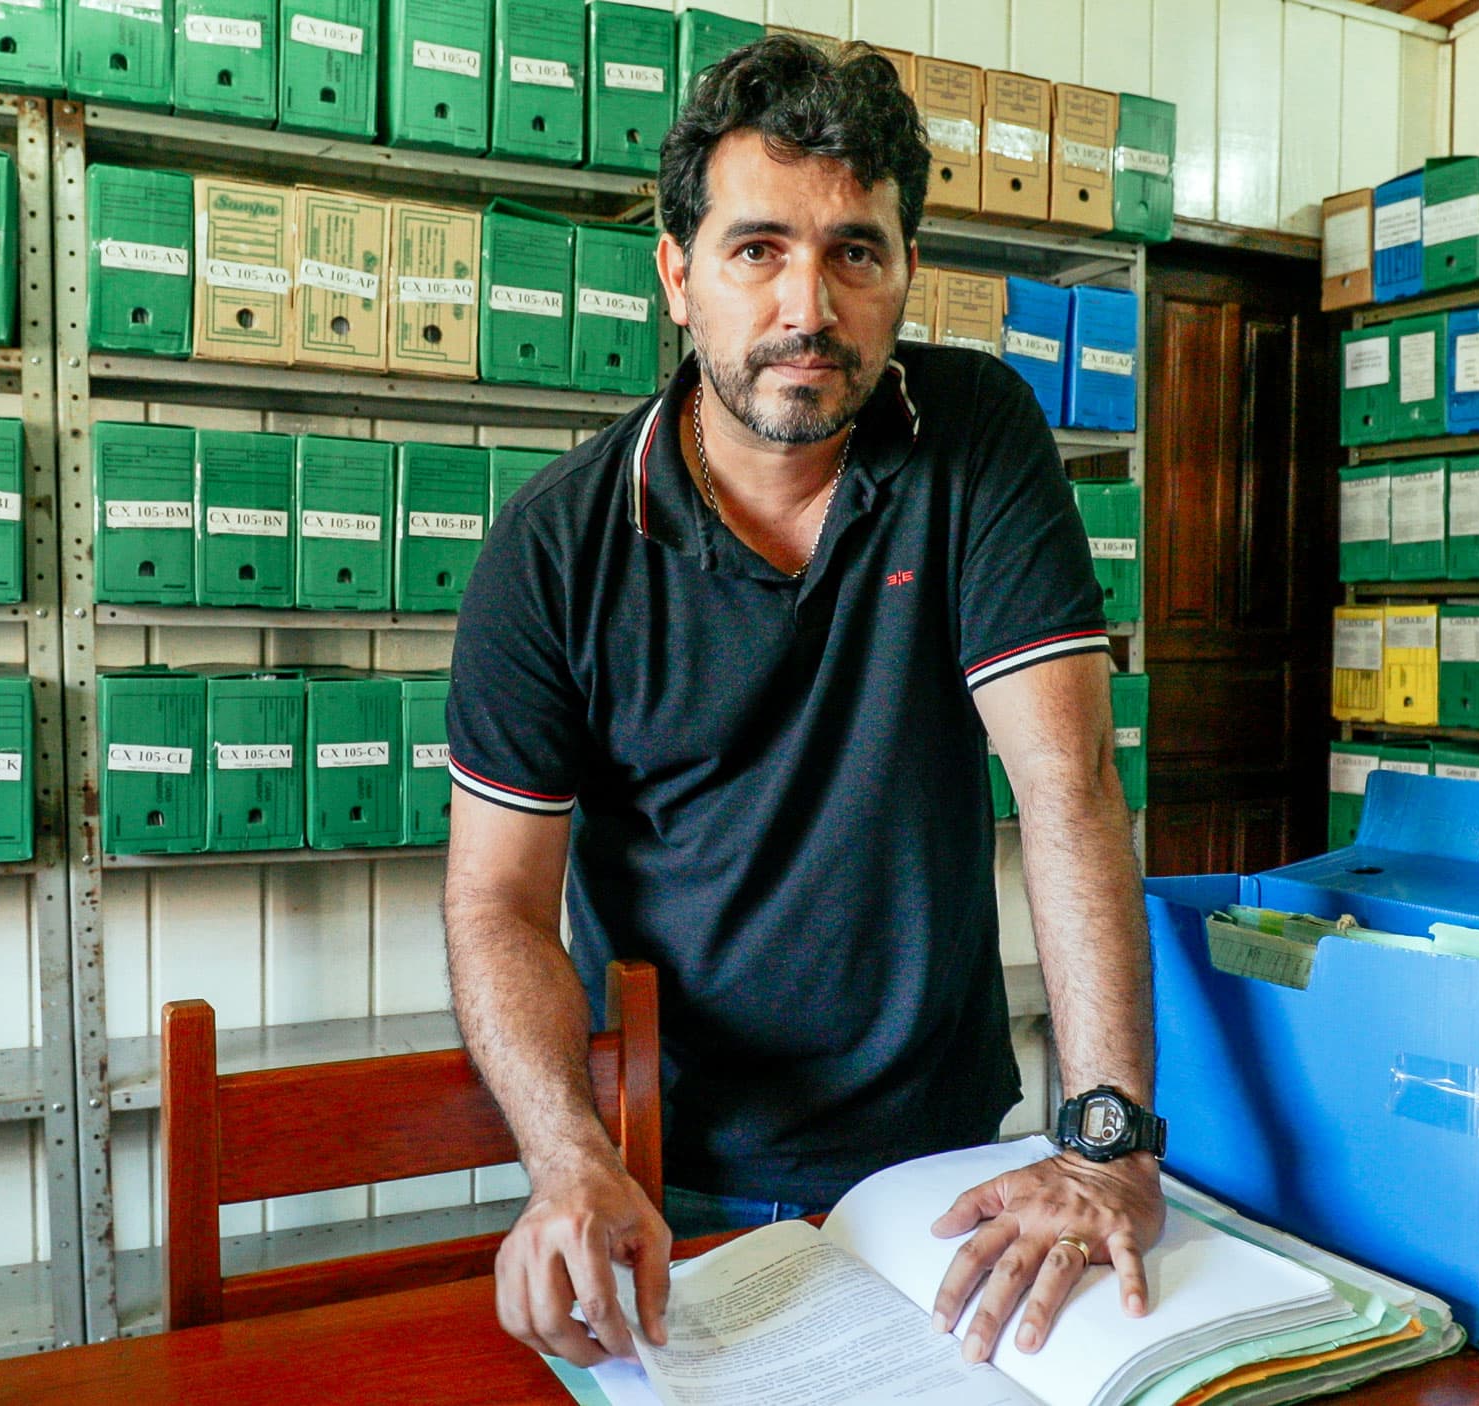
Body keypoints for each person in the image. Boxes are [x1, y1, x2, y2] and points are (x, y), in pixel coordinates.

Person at [442, 35, 1162, 1373]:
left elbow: (1069, 790)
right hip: (667, 1180)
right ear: (678, 275)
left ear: (904, 273)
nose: (807, 306)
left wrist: (1104, 1142)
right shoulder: (553, 550)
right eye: (757, 249)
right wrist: (567, 1159)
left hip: (944, 1165)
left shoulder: (974, 436)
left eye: (853, 253)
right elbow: (497, 905)